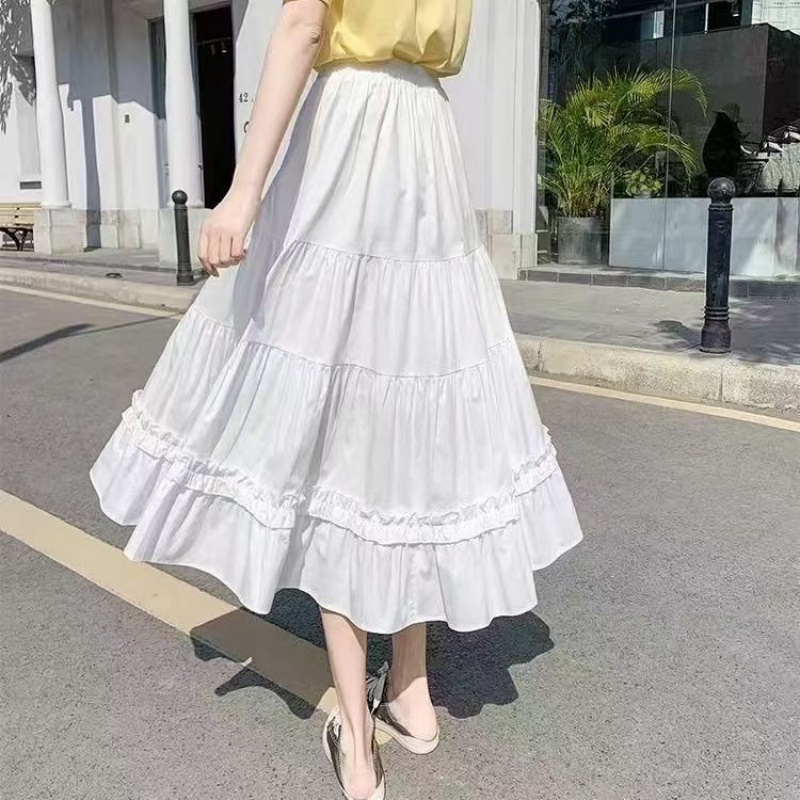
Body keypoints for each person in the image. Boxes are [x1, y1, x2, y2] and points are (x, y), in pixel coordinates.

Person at [90, 1, 583, 798]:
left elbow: (302, 27)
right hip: (426, 139)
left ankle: (357, 742)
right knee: (411, 416)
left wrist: (243, 190)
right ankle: (411, 696)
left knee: (334, 423)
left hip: (350, 139)